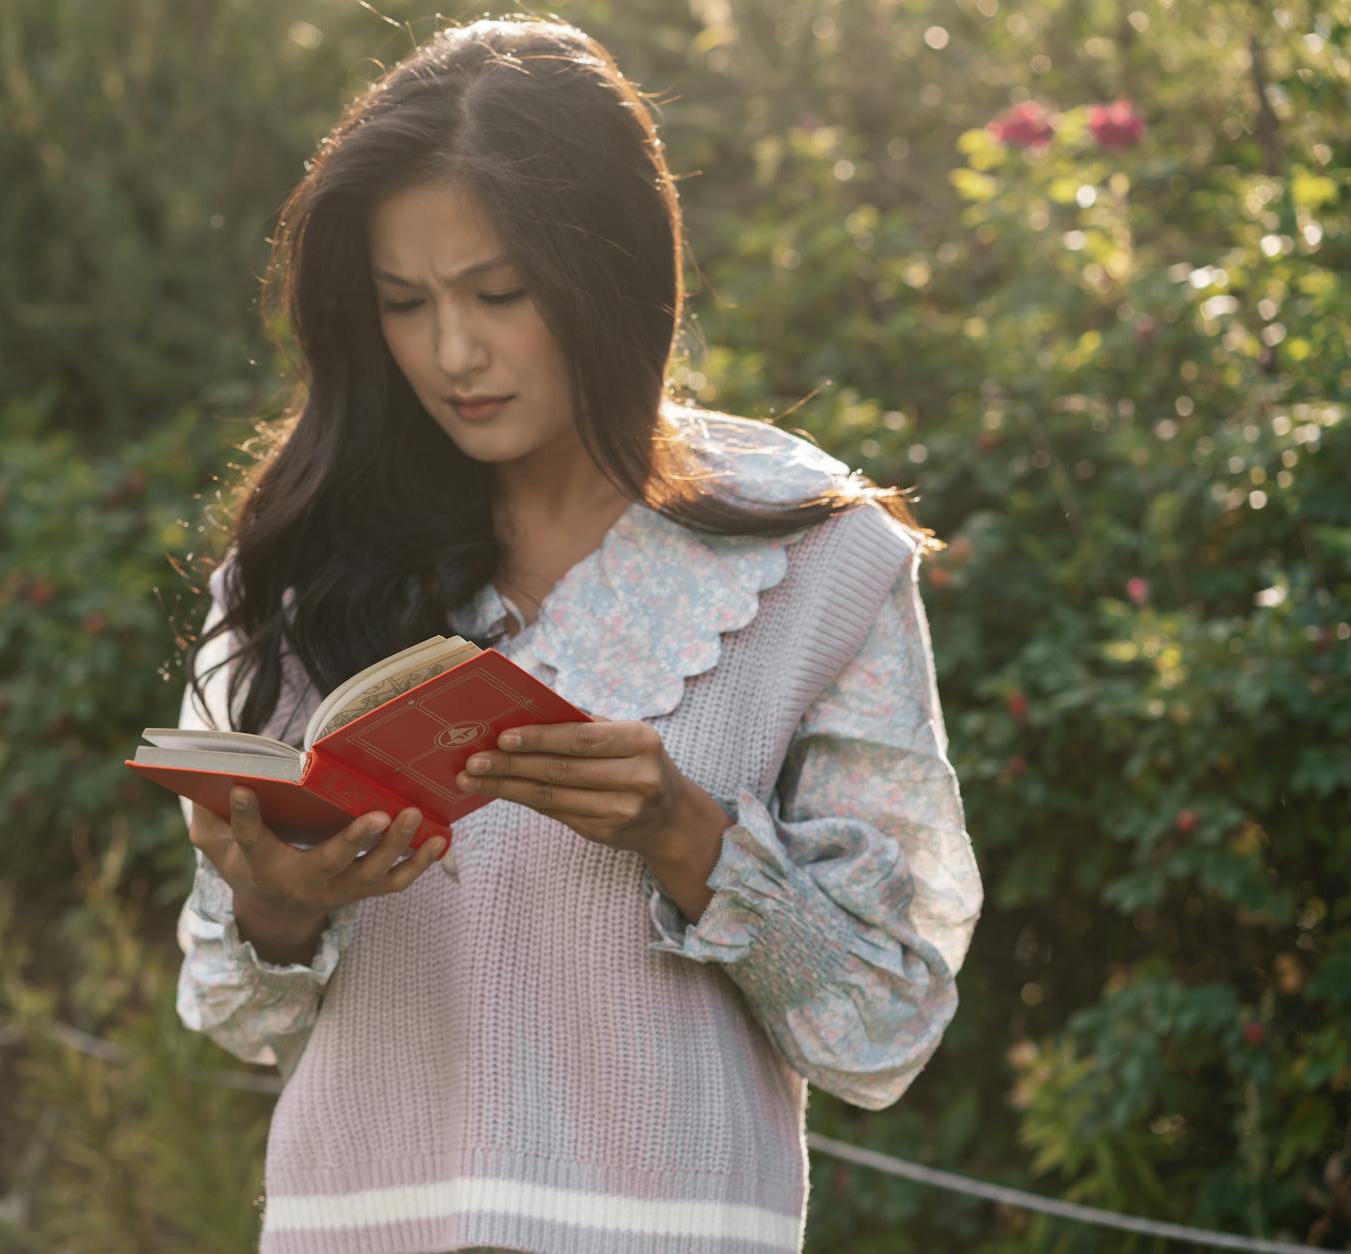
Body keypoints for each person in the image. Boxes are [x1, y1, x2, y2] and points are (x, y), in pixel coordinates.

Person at [169, 15, 984, 1254]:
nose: (453, 353)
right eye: (404, 304)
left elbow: (885, 1026)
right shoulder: (312, 558)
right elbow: (230, 1007)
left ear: (612, 273)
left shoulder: (810, 556)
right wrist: (276, 911)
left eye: (498, 292)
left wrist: (686, 835)